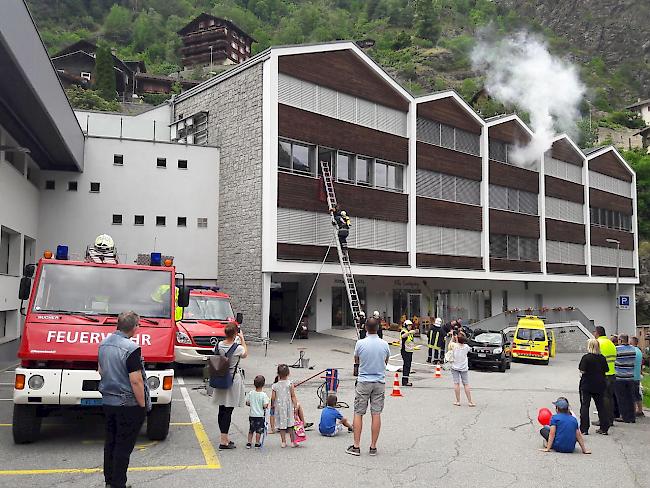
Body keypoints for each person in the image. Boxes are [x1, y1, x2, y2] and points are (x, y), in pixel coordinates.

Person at [98, 311, 151, 488]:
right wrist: (142, 405)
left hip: (108, 401)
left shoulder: (104, 343)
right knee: (123, 446)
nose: (139, 328)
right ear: (134, 327)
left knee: (110, 442)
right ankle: (119, 483)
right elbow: (135, 380)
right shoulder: (131, 348)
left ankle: (109, 481)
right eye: (138, 325)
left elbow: (100, 370)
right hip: (128, 404)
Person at [346, 318, 390, 457]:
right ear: (378, 328)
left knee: (359, 412)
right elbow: (386, 361)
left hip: (364, 381)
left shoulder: (360, 343)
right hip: (379, 381)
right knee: (376, 413)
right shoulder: (384, 344)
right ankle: (373, 447)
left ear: (365, 327)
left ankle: (356, 446)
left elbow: (356, 360)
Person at [212, 323, 248, 450]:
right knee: (228, 410)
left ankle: (224, 437)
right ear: (235, 334)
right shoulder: (237, 348)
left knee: (221, 409)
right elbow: (245, 354)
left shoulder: (218, 345)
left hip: (220, 377)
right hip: (232, 380)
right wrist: (242, 339)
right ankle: (223, 440)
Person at [578, 339, 609, 435]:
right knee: (601, 406)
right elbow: (606, 370)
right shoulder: (602, 358)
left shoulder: (586, 358)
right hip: (600, 385)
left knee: (585, 406)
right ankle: (604, 428)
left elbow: (582, 370)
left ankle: (584, 429)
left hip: (587, 384)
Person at [271, 364, 301, 448]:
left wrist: (272, 405)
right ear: (288, 373)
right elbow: (293, 395)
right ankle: (293, 441)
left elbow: (273, 397)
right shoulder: (290, 384)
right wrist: (295, 405)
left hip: (279, 407)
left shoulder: (275, 386)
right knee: (290, 424)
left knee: (282, 425)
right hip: (288, 407)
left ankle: (283, 442)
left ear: (278, 374)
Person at [593, 326, 618, 428]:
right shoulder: (610, 343)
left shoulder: (598, 343)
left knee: (602, 399)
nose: (593, 333)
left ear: (597, 333)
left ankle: (603, 420)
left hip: (602, 375)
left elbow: (595, 360)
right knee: (610, 398)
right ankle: (610, 419)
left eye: (594, 331)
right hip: (612, 374)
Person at [614, 334, 637, 423]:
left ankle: (624, 416)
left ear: (620, 340)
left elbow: (615, 359)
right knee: (630, 397)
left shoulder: (617, 349)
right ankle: (632, 417)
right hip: (630, 376)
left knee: (622, 398)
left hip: (620, 377)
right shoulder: (633, 349)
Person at [449, 333, 475, 407]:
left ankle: (458, 401)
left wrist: (453, 337)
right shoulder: (466, 347)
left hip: (455, 367)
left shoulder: (454, 346)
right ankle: (470, 401)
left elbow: (450, 345)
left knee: (456, 384)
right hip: (464, 368)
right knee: (466, 384)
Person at [245, 375, 270, 449]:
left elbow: (247, 403)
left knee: (251, 429)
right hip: (260, 416)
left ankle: (249, 442)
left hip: (252, 415)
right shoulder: (263, 395)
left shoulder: (251, 393)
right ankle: (257, 442)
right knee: (259, 431)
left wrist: (252, 404)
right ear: (263, 384)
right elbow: (265, 405)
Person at [630, 336, 645, 417]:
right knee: (637, 394)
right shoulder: (639, 351)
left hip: (632, 375)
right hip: (637, 375)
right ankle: (640, 410)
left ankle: (633, 411)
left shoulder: (632, 351)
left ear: (632, 342)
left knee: (632, 395)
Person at [400, 320, 416, 387]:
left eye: (411, 325)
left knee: (408, 365)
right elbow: (403, 336)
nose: (410, 327)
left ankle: (406, 380)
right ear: (406, 325)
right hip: (405, 351)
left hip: (409, 351)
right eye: (409, 325)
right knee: (406, 365)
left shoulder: (408, 332)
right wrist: (409, 332)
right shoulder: (404, 331)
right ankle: (404, 381)